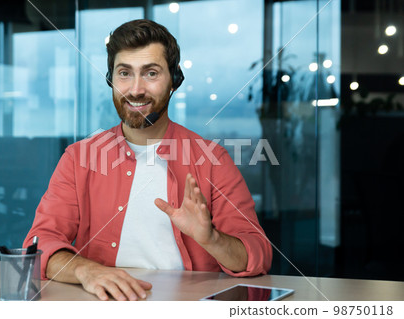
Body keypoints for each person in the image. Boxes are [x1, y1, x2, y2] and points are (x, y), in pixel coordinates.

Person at [23, 19, 272, 301]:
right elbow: (38, 243)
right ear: (111, 79)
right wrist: (85, 271)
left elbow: (258, 254)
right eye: (124, 73)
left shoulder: (212, 159)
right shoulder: (79, 158)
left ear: (174, 81)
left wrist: (211, 239)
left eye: (151, 73)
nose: (136, 89)